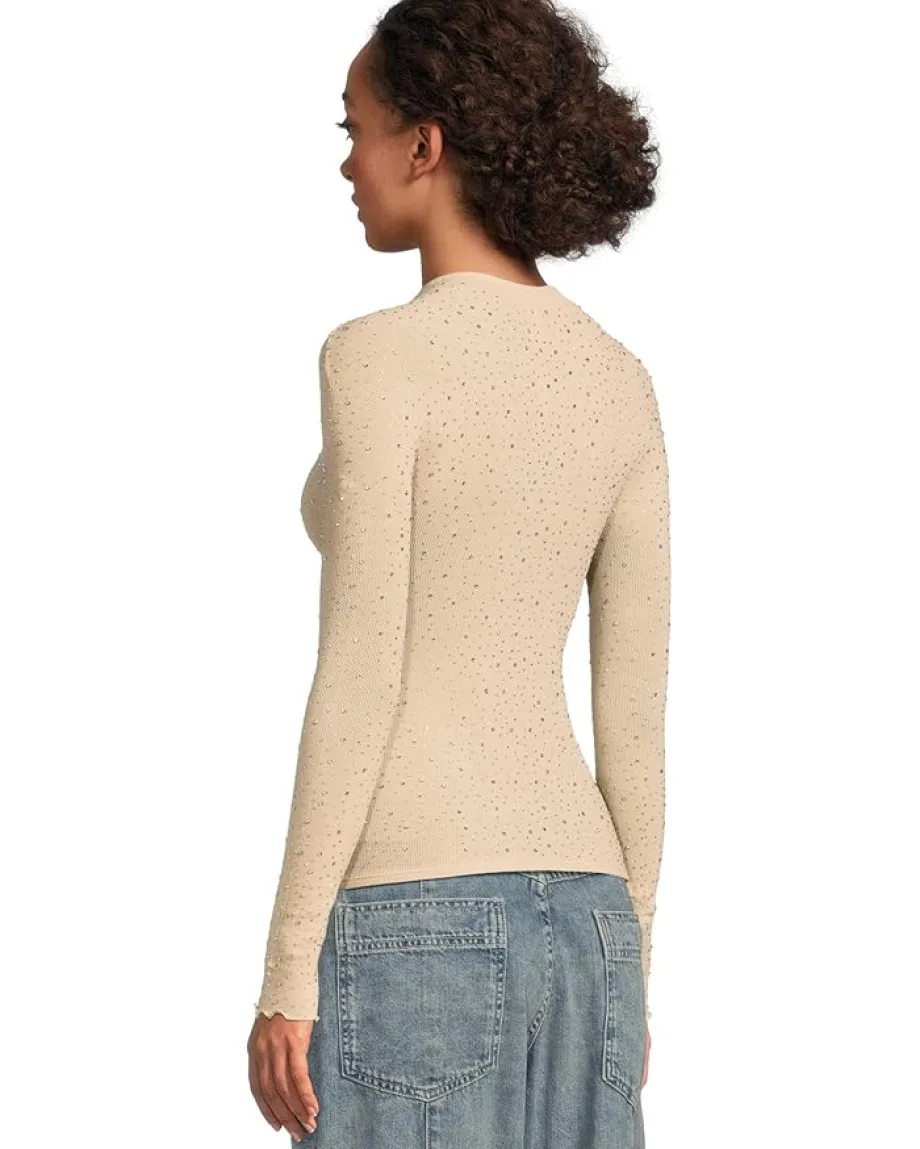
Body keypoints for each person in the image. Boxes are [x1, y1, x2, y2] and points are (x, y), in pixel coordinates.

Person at [247, 1, 669, 1145]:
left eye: (355, 129)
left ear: (423, 144)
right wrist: (629, 963)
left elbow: (362, 671)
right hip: (589, 919)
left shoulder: (373, 358)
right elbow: (632, 709)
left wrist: (286, 970)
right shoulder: (618, 378)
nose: (346, 162)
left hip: (412, 906)